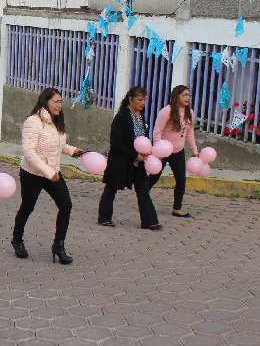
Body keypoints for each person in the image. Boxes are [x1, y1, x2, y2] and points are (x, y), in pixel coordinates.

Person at [11, 88, 85, 264]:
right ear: (45, 101)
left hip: (53, 172)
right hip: (32, 173)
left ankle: (58, 246)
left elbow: (59, 144)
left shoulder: (56, 121)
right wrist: (48, 172)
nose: (60, 105)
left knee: (66, 205)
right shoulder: (33, 121)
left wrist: (74, 151)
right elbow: (29, 152)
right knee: (27, 207)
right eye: (56, 101)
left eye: (61, 101)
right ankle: (17, 240)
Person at [98, 87, 162, 231]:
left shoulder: (140, 115)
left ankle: (149, 221)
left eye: (144, 99)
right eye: (139, 99)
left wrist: (146, 152)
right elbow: (116, 142)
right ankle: (104, 218)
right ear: (130, 99)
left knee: (143, 189)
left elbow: (143, 136)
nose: (142, 103)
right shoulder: (121, 117)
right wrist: (135, 154)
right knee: (111, 188)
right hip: (120, 159)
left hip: (138, 161)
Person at [148, 85, 199, 218]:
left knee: (181, 180)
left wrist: (195, 151)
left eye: (189, 95)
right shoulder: (167, 111)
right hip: (163, 151)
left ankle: (177, 208)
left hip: (178, 152)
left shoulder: (190, 113)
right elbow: (157, 131)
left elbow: (189, 133)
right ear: (176, 97)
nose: (188, 98)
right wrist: (158, 149)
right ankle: (142, 196)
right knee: (154, 177)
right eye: (184, 95)